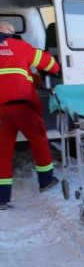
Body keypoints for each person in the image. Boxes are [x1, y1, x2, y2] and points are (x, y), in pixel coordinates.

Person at [0, 20, 61, 210]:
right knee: (39, 141)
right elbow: (52, 66)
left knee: (2, 153)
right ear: (9, 32)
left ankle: (2, 198)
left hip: (1, 110)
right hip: (23, 106)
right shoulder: (20, 46)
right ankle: (46, 181)